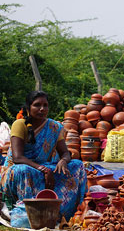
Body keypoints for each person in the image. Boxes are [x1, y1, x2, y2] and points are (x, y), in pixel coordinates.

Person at [0, 91, 87, 220]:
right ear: (29, 107)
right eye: (37, 105)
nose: (42, 109)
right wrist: (43, 169)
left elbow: (65, 152)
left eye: (45, 105)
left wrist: (63, 161)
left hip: (45, 168)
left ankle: (64, 212)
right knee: (23, 171)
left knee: (77, 165)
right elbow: (18, 158)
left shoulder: (54, 127)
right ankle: (28, 213)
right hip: (21, 168)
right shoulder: (20, 124)